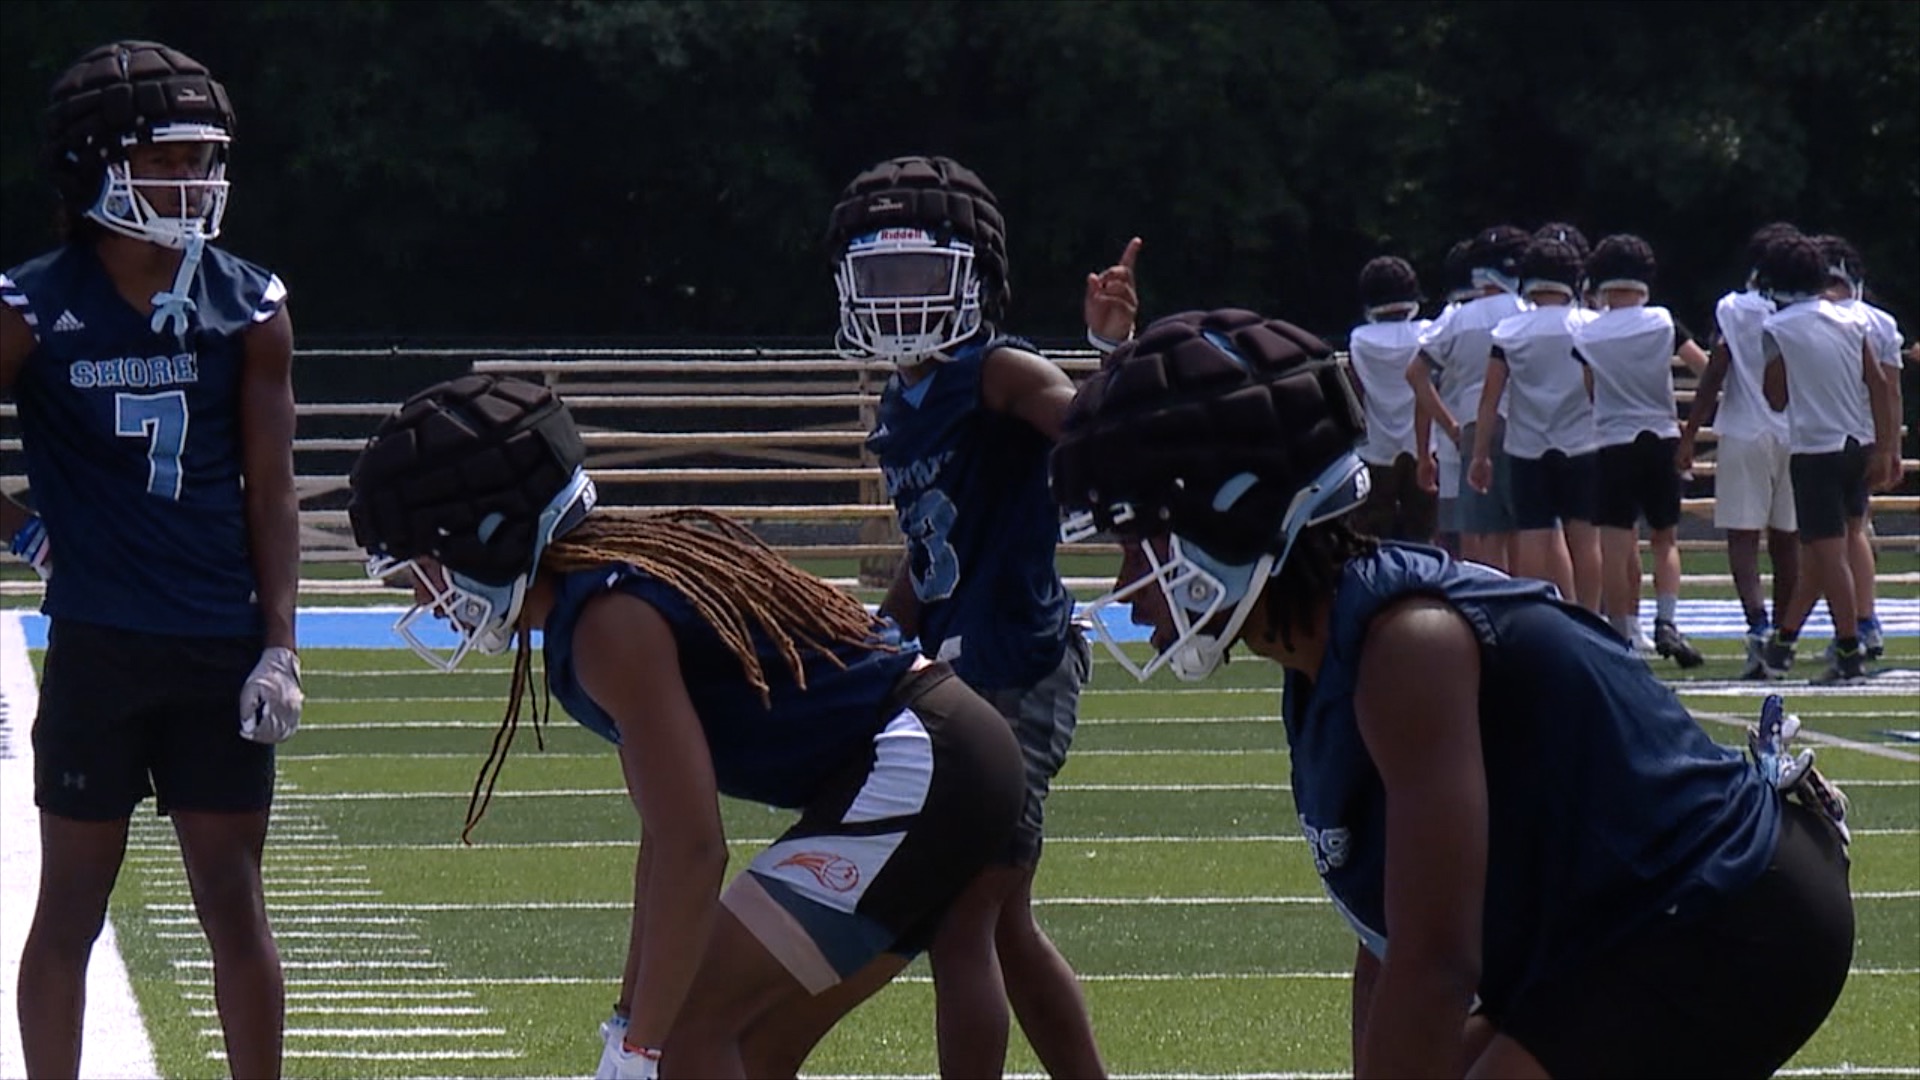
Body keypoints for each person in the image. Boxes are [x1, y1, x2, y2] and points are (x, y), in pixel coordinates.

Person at [1051, 307, 1855, 1078]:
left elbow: (1437, 966)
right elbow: (1390, 942)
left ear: (1232, 516)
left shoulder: (1411, 648)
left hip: (1730, 909)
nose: (1130, 588)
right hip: (1629, 925)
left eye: (1141, 547)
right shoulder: (1326, 656)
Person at [345, 374, 1025, 1080]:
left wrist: (642, 1045)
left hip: (923, 760)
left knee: (692, 1039)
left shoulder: (606, 625)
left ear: (486, 532)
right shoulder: (605, 595)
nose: (427, 595)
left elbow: (694, 848)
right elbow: (663, 836)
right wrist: (628, 1013)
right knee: (745, 1050)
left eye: (425, 568)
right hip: (945, 756)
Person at [0, 40, 300, 1080]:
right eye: (168, 160)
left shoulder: (249, 301)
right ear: (96, 164)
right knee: (70, 906)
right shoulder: (33, 304)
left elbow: (272, 487)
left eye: (204, 159)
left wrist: (281, 646)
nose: (195, 183)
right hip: (101, 643)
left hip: (218, 641)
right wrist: (21, 531)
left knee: (234, 900)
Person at [822, 154, 1107, 1079]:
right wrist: (872, 633)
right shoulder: (907, 397)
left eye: (919, 276)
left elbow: (1086, 427)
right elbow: (931, 555)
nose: (899, 301)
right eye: (881, 279)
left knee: (964, 921)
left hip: (1016, 663)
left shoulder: (998, 370)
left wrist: (1111, 356)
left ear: (973, 276)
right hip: (962, 666)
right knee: (1006, 925)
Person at [1755, 235, 1901, 685]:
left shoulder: (1778, 328)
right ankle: (1784, 642)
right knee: (1823, 555)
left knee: (1828, 553)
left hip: (1814, 449)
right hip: (1855, 443)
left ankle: (1847, 646)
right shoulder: (1850, 321)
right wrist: (1885, 444)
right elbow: (1878, 385)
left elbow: (1775, 398)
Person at [1570, 234, 1708, 667]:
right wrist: (1691, 432)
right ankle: (1666, 620)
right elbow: (1703, 366)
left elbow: (1590, 386)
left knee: (1614, 540)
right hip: (1661, 434)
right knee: (1664, 537)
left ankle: (1623, 632)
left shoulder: (1589, 331)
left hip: (1612, 439)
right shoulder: (1662, 321)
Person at [1677, 223, 1804, 678]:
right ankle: (1783, 639)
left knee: (1744, 539)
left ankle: (1758, 625)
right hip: (1799, 432)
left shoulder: (1734, 308)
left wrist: (1691, 433)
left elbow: (1716, 370)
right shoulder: (1811, 309)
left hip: (1745, 429)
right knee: (1788, 541)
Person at [1470, 238, 1600, 608]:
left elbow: (1490, 397)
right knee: (1585, 540)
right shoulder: (1588, 326)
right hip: (1582, 443)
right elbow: (1596, 388)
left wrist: (1481, 454)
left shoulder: (1510, 331)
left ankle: (1536, 616)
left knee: (1533, 538)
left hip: (1527, 446)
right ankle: (1591, 618)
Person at [1408, 225, 1530, 571]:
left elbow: (1415, 373)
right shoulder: (1525, 311)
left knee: (1485, 537)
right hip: (1526, 426)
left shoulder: (1457, 318)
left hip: (1473, 430)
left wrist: (1450, 425)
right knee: (1530, 530)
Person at [1815, 234, 1904, 660]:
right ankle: (1865, 621)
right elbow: (1890, 392)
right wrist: (1889, 447)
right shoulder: (1880, 322)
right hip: (1864, 438)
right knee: (1854, 532)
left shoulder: (1808, 318)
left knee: (1823, 540)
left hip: (1818, 438)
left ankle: (1840, 629)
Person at [1347, 256, 1437, 543]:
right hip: (1426, 446)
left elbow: (1356, 392)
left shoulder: (1360, 339)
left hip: (1375, 446)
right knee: (1424, 535)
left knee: (1370, 535)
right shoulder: (1427, 333)